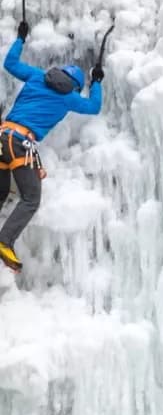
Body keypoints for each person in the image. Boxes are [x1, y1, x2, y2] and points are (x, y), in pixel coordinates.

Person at [0, 18, 104, 272]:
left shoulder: (37, 76)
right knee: (31, 198)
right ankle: (4, 241)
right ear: (76, 85)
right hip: (19, 143)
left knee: (2, 191)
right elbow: (94, 106)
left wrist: (20, 38)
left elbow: (9, 63)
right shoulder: (69, 97)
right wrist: (97, 82)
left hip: (2, 135)